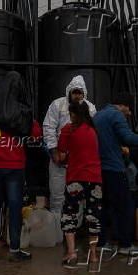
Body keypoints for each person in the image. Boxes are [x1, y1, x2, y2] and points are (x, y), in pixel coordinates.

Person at [0, 73, 42, 261]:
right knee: (14, 208)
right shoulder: (21, 111)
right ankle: (14, 250)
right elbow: (36, 134)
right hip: (15, 166)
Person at [43, 75, 97, 239]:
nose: (77, 96)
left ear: (84, 93)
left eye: (80, 93)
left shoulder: (91, 108)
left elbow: (93, 133)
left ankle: (73, 233)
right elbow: (48, 127)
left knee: (78, 198)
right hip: (59, 161)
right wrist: (54, 152)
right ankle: (58, 234)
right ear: (69, 92)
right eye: (75, 92)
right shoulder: (58, 105)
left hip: (79, 163)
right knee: (58, 195)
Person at [56, 101, 102, 268]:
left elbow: (61, 154)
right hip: (95, 178)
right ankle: (94, 255)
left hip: (75, 177)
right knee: (93, 215)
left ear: (74, 114)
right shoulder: (93, 130)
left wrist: (66, 157)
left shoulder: (69, 129)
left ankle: (72, 252)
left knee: (70, 213)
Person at [93, 93, 138, 254]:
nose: (130, 113)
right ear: (123, 105)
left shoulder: (98, 115)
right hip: (114, 169)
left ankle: (101, 243)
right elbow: (127, 137)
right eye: (129, 108)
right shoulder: (116, 115)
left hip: (99, 169)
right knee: (125, 207)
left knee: (103, 207)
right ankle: (125, 245)